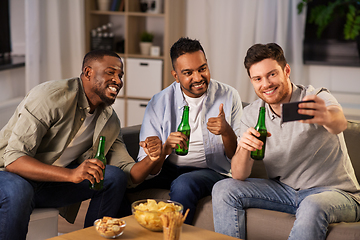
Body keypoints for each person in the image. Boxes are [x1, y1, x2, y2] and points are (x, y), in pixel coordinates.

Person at [0, 49, 162, 240]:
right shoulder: (50, 97)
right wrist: (71, 174)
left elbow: (128, 175)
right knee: (20, 190)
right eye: (110, 72)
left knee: (113, 177)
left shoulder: (109, 120)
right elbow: (13, 160)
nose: (118, 81)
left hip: (47, 186)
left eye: (120, 75)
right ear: (88, 72)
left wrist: (153, 157)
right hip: (8, 176)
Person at [212, 43, 360, 240]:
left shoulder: (314, 96)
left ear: (286, 71)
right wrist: (244, 148)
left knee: (312, 205)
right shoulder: (252, 114)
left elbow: (339, 123)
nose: (266, 84)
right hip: (286, 191)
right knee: (223, 189)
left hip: (336, 193)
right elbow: (239, 174)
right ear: (252, 81)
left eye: (272, 74)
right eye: (258, 78)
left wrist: (325, 116)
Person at [133, 37, 243, 224]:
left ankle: (173, 236)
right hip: (167, 168)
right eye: (188, 73)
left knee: (184, 184)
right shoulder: (159, 102)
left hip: (210, 170)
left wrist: (226, 131)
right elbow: (150, 166)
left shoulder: (229, 95)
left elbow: (236, 157)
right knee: (121, 182)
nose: (198, 78)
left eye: (202, 69)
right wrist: (165, 147)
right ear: (175, 76)